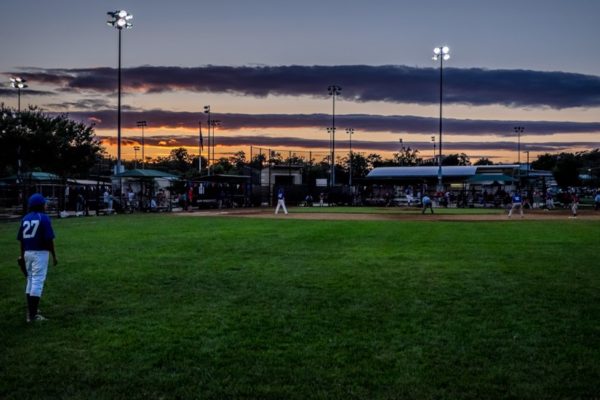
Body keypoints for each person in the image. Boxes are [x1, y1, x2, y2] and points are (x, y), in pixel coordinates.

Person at [17, 193, 58, 322]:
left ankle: (31, 310)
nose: (45, 205)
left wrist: (23, 255)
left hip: (27, 252)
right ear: (40, 205)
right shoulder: (43, 218)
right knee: (37, 281)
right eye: (44, 203)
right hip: (40, 253)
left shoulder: (25, 218)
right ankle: (33, 315)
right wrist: (54, 255)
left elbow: (22, 240)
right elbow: (49, 239)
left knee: (30, 279)